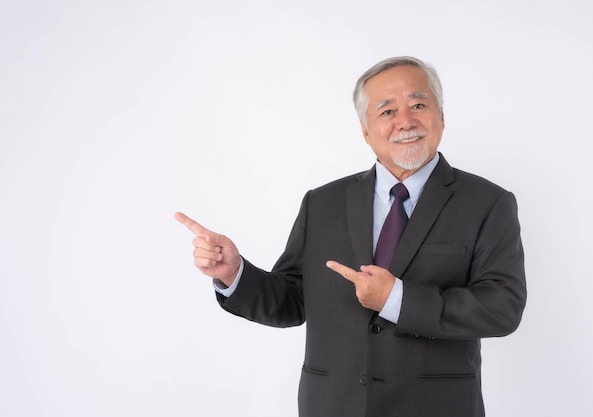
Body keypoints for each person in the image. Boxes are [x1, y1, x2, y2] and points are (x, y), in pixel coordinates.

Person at [175, 56, 526, 417]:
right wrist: (234, 275)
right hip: (332, 405)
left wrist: (397, 299)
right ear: (365, 129)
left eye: (418, 105)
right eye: (387, 111)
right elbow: (293, 300)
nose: (405, 121)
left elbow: (502, 307)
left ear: (441, 115)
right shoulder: (323, 202)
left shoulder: (488, 202)